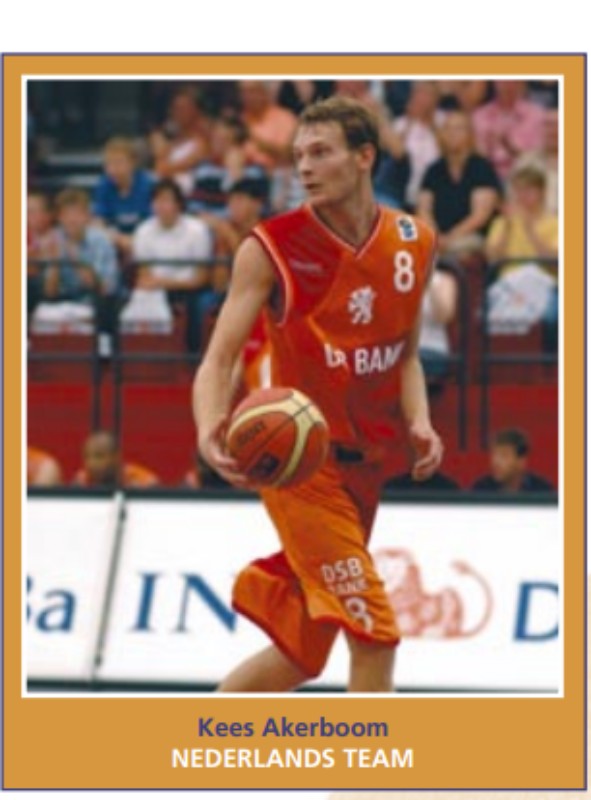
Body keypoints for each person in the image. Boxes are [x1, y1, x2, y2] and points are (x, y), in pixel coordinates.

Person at [193, 96, 443, 693]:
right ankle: (369, 756)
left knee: (301, 654)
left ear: (364, 157)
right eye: (299, 154)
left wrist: (421, 420)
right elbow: (219, 358)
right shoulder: (271, 246)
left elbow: (406, 355)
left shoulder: (415, 241)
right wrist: (208, 426)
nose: (304, 166)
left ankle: (204, 735)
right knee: (374, 635)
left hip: (367, 468)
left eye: (321, 152)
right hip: (302, 464)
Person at [121, 179, 213, 349]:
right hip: (155, 290)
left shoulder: (197, 230)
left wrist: (165, 283)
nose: (161, 206)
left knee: (199, 305)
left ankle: (192, 355)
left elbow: (201, 278)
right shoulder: (143, 231)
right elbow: (144, 276)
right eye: (157, 201)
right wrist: (158, 285)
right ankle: (141, 353)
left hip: (189, 290)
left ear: (178, 204)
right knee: (128, 299)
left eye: (166, 200)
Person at [32, 188, 119, 337]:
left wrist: (74, 254)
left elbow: (103, 289)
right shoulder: (53, 240)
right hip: (63, 302)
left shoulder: (100, 241)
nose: (72, 220)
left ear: (87, 216)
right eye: (67, 215)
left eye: (77, 214)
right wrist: (54, 264)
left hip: (96, 302)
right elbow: (49, 292)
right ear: (59, 218)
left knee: (104, 307)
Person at [417, 111, 501, 258]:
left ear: (470, 135)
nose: (452, 134)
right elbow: (424, 210)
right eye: (448, 129)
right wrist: (436, 236)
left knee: (460, 250)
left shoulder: (482, 168)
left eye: (458, 129)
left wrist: (449, 239)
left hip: (470, 237)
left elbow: (480, 216)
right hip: (437, 237)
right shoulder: (434, 170)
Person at [472, 80, 546, 182]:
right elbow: (477, 155)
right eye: (503, 81)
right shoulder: (480, 115)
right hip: (488, 176)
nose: (508, 86)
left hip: (524, 176)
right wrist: (489, 145)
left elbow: (537, 157)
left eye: (512, 81)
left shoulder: (536, 114)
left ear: (521, 84)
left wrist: (509, 146)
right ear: (495, 83)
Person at [92, 137, 154, 255]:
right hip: (115, 243)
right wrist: (119, 239)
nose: (113, 169)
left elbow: (154, 224)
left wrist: (135, 241)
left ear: (132, 163)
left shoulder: (148, 184)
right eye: (109, 164)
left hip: (145, 241)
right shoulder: (104, 185)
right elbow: (98, 223)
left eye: (118, 163)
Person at [472, 429, 554, 493]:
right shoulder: (481, 489)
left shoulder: (542, 490)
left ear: (521, 461)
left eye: (504, 455)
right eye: (494, 455)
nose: (496, 462)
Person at [73, 430, 159, 488]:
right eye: (87, 456)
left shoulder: (143, 482)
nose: (91, 463)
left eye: (99, 456)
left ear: (116, 457)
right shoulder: (81, 481)